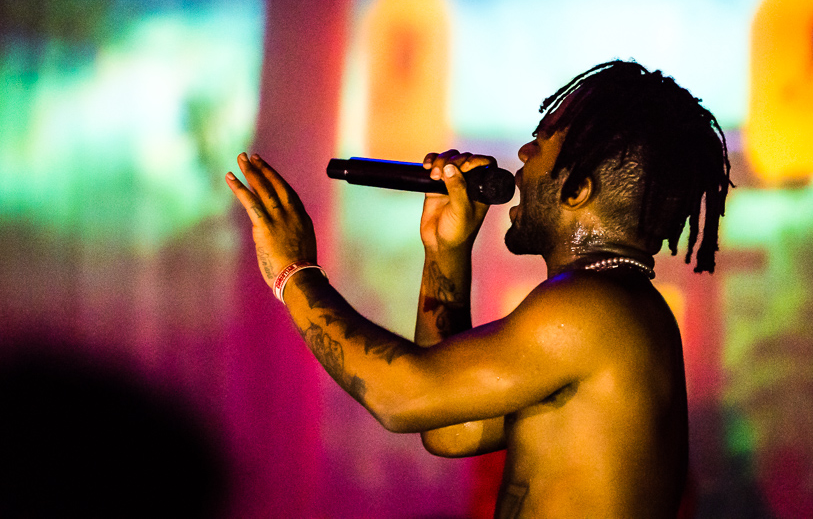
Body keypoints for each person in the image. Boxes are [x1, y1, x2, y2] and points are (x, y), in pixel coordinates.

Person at [226, 60, 732, 518]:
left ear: (577, 190)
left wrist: (293, 272)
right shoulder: (614, 305)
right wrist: (446, 252)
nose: (522, 154)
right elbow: (451, 429)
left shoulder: (592, 306)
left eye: (543, 141)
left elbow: (399, 397)